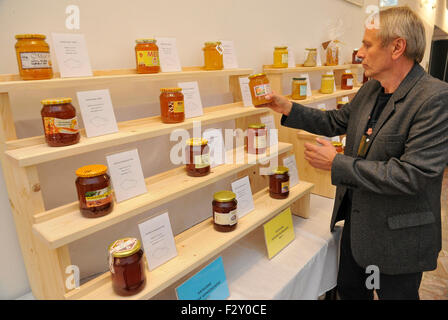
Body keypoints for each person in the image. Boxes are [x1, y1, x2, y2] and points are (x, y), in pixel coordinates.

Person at [264, 6, 448, 300]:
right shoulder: (372, 89)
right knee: (351, 294)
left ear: (397, 47)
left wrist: (338, 164)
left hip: (399, 239)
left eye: (367, 44)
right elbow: (334, 121)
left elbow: (414, 175)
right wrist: (288, 108)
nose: (359, 52)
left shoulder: (434, 98)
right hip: (358, 229)